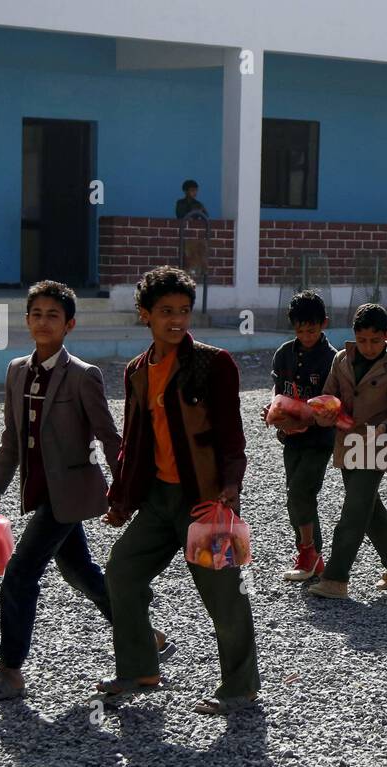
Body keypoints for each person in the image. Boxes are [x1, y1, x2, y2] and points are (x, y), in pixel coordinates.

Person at [0, 281, 172, 700]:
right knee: (78, 571)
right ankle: (148, 638)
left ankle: (9, 671)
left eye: (53, 315)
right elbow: (12, 440)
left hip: (70, 495)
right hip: (39, 491)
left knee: (20, 573)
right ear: (26, 321)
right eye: (36, 314)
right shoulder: (17, 370)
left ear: (69, 324)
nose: (43, 321)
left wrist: (125, 491)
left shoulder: (82, 375)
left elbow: (109, 437)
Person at [100, 266, 259, 713]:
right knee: (122, 573)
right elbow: (134, 443)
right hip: (157, 502)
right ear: (144, 314)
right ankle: (140, 669)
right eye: (166, 311)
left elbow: (232, 437)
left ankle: (240, 687)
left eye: (184, 311)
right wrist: (121, 501)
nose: (176, 320)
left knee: (225, 598)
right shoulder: (136, 371)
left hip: (205, 502)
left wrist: (230, 487)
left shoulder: (214, 363)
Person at [306, 304, 387, 600]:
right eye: (363, 340)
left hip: (376, 447)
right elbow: (328, 397)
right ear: (354, 335)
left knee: (353, 513)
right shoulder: (341, 359)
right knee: (369, 511)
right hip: (347, 445)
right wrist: (323, 413)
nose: (369, 347)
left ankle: (336, 578)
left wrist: (382, 429)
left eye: (376, 341)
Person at [265, 290, 338, 581]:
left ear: (324, 324)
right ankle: (312, 555)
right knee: (295, 497)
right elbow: (277, 391)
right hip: (291, 438)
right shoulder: (284, 353)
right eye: (300, 330)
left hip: (319, 440)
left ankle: (307, 553)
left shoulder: (332, 359)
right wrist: (273, 410)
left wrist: (305, 415)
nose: (306, 336)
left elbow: (332, 402)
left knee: (300, 492)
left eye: (312, 330)